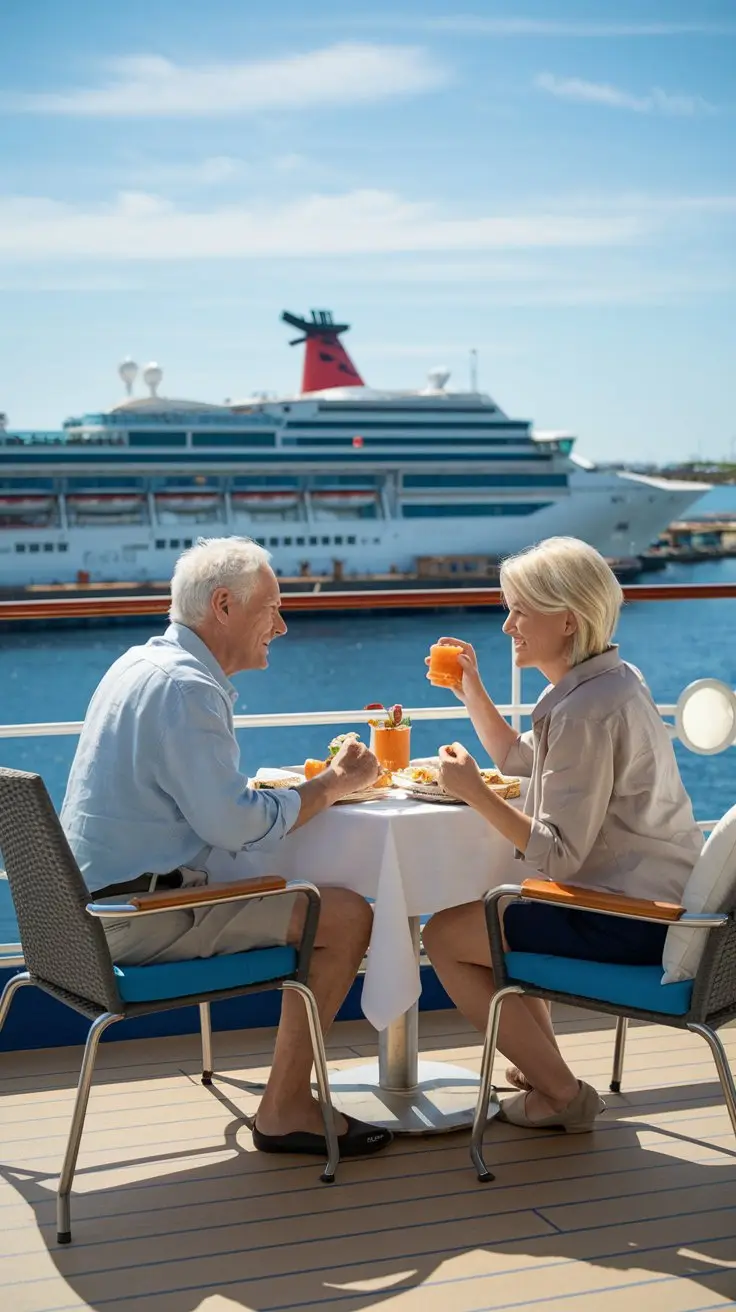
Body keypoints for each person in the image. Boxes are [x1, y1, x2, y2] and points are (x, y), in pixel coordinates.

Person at [61, 537, 393, 1160]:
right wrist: (334, 785)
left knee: (306, 889)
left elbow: (205, 809)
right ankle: (286, 1108)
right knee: (346, 915)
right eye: (272, 607)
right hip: (131, 920)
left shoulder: (140, 663)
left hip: (80, 916)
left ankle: (291, 1095)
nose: (283, 625)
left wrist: (291, 798)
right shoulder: (188, 688)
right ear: (223, 606)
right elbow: (233, 825)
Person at [422, 536, 702, 1133]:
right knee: (505, 909)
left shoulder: (585, 709)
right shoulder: (610, 682)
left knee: (447, 935)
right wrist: (470, 687)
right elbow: (519, 756)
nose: (507, 626)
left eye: (520, 609)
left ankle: (562, 1095)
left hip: (630, 918)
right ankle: (540, 1067)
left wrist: (472, 792)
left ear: (567, 619)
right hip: (665, 903)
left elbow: (559, 856)